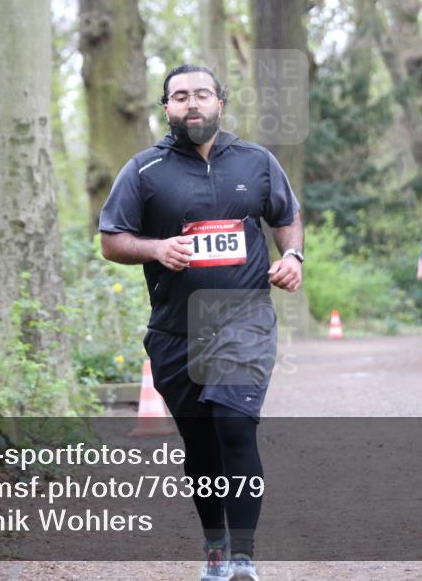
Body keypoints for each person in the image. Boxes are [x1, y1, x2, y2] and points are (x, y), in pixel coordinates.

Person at [98, 64, 303, 581]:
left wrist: (292, 257)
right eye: (181, 96)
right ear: (166, 107)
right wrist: (155, 248)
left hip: (244, 320)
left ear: (220, 103)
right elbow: (112, 240)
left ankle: (244, 559)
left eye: (202, 94)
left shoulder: (257, 162)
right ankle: (215, 546)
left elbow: (286, 218)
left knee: (235, 426)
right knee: (202, 445)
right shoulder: (143, 170)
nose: (193, 103)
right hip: (176, 330)